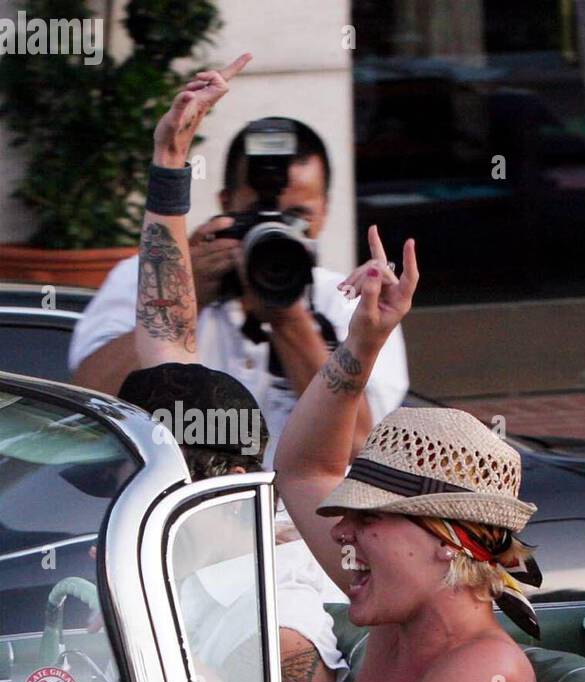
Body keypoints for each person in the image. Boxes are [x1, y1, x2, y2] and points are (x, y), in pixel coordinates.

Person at [123, 55, 344, 682]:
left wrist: (146, 653)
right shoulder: (165, 549)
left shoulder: (274, 607)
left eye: (133, 470)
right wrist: (170, 157)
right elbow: (165, 326)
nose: (114, 486)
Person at [274, 228, 541, 682]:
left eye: (369, 516)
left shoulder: (487, 674)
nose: (340, 531)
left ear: (449, 541)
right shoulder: (403, 618)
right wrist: (364, 341)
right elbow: (304, 470)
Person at [70, 115, 408, 467]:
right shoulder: (149, 281)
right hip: (178, 514)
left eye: (297, 218)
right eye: (258, 217)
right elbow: (91, 409)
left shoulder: (350, 303)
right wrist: (185, 294)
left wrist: (290, 320)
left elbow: (360, 447)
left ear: (324, 211)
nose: (277, 232)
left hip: (300, 520)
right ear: (226, 203)